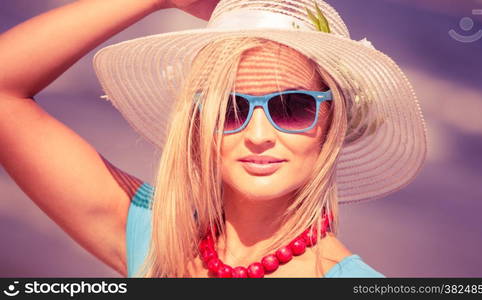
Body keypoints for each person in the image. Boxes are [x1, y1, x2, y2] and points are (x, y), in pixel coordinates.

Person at [0, 0, 427, 278]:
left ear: (332, 119)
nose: (259, 135)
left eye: (291, 106)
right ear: (197, 122)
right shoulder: (155, 237)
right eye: (230, 108)